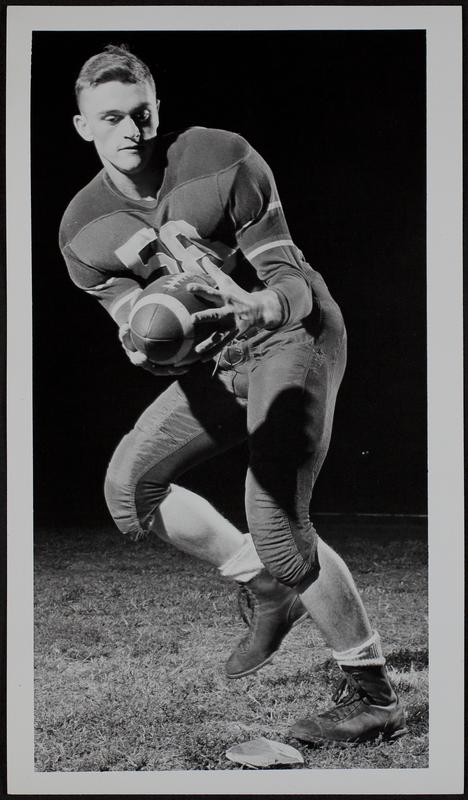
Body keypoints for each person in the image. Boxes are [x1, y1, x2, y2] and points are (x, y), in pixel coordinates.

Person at [59, 44, 407, 744]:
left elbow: (289, 278)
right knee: (129, 488)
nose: (131, 130)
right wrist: (153, 347)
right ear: (83, 126)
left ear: (158, 109)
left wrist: (262, 305)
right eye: (111, 118)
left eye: (141, 113)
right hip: (222, 357)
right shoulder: (83, 231)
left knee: (274, 513)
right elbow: (141, 332)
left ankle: (372, 695)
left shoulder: (219, 157)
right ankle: (268, 583)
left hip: (291, 333)